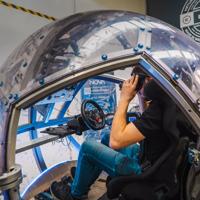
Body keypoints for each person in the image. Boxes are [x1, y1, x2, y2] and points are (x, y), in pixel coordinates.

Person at [50, 74, 171, 200]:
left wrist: (124, 98)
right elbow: (146, 118)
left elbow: (116, 142)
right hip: (149, 161)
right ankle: (85, 176)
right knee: (107, 137)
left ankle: (76, 195)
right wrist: (141, 93)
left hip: (143, 172)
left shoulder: (158, 110)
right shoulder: (165, 103)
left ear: (150, 80)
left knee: (88, 146)